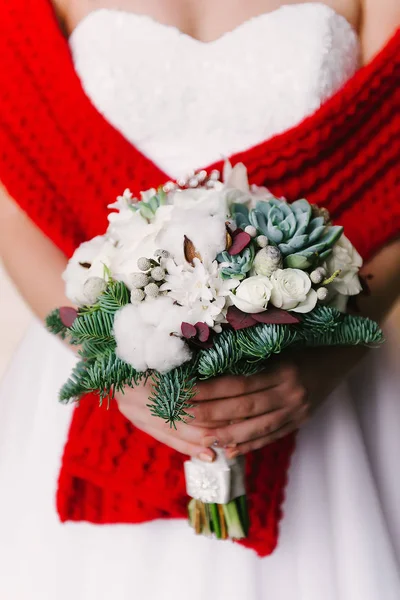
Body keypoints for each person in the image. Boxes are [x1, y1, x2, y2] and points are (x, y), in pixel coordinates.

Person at [0, 1, 399, 598]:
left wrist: (324, 364)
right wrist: (109, 359)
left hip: (320, 380)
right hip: (93, 372)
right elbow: (16, 198)